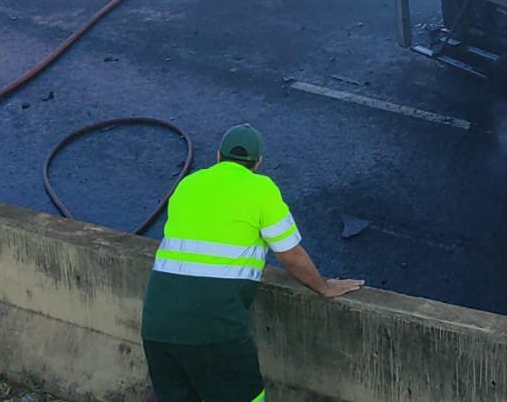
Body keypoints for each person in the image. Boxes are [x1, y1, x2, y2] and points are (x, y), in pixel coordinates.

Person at [141, 124, 362, 402]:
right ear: (258, 163)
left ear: (218, 156)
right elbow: (291, 255)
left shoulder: (188, 184)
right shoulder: (261, 190)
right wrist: (325, 288)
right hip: (215, 329)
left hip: (156, 323)